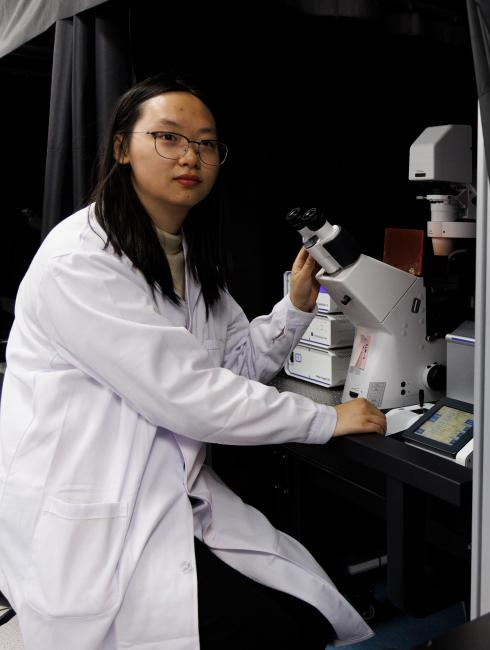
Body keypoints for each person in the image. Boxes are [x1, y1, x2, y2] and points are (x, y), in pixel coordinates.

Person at [0, 74, 387, 649]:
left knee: (304, 616)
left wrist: (295, 307)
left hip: (172, 493)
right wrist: (325, 419)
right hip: (94, 513)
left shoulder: (189, 259)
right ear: (121, 148)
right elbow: (189, 394)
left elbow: (234, 367)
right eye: (169, 137)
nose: (190, 156)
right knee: (269, 631)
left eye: (206, 144)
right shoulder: (80, 261)